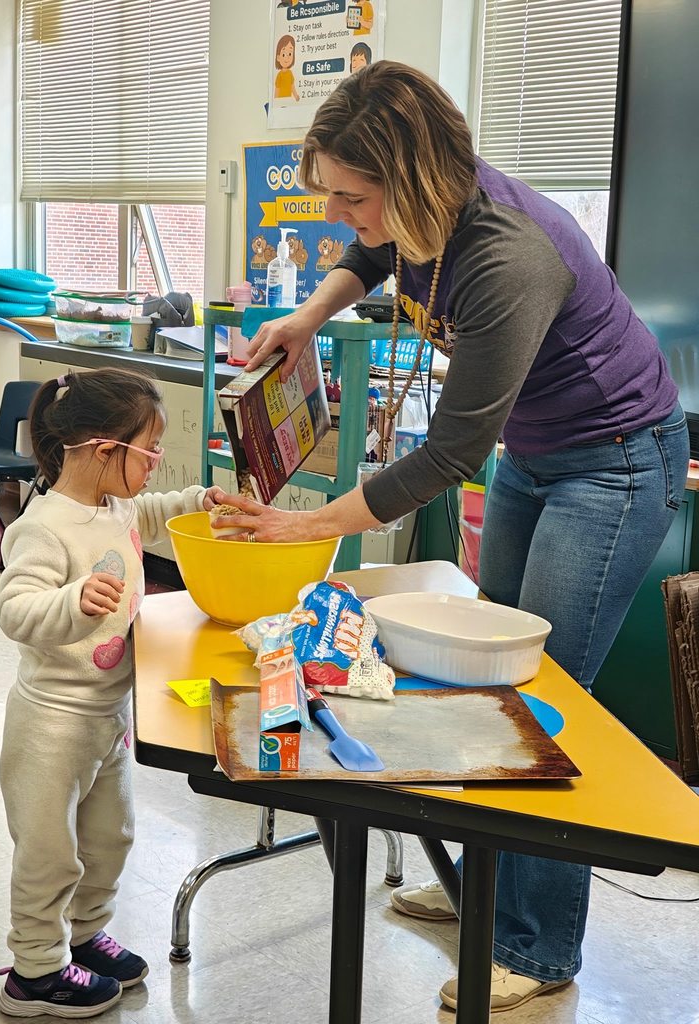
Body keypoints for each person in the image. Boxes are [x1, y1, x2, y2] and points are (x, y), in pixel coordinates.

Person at [209, 60, 689, 1014]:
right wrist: (306, 317)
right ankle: (480, 892)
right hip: (538, 453)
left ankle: (539, 946)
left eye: (354, 197)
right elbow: (378, 259)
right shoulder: (421, 220)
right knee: (479, 686)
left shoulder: (509, 253)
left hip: (615, 464)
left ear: (414, 176)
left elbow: (451, 452)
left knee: (545, 701)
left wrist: (313, 523)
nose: (344, 217)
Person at [0, 367, 223, 1018]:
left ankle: (86, 937)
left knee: (110, 837)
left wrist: (198, 500)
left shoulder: (113, 504)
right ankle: (34, 974)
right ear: (103, 451)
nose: (156, 464)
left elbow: (147, 512)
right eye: (149, 451)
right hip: (51, 724)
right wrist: (71, 602)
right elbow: (15, 608)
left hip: (107, 715)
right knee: (48, 854)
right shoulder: (43, 525)